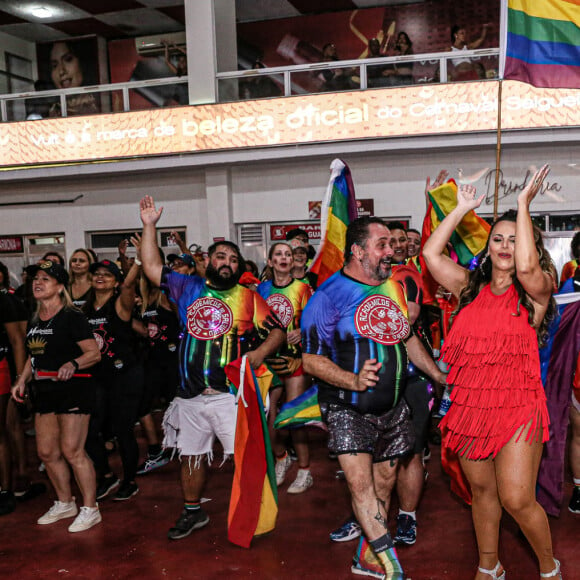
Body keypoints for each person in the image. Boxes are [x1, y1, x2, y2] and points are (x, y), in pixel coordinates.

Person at [422, 165, 562, 580]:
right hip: (470, 406)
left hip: (518, 405)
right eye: (497, 239)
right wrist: (461, 208)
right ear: (487, 247)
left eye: (515, 239)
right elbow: (430, 255)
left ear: (531, 247)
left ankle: (549, 568)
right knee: (482, 493)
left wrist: (522, 204)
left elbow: (524, 270)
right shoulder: (468, 288)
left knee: (517, 499)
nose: (504, 245)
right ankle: (489, 565)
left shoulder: (537, 290)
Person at [301, 216, 446, 579]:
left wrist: (438, 374)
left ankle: (365, 556)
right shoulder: (327, 296)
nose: (391, 251)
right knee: (362, 486)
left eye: (391, 245)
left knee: (384, 484)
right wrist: (351, 379)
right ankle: (391, 567)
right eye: (381, 245)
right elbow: (309, 359)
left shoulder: (393, 287)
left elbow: (407, 337)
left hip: (393, 407)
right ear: (357, 250)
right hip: (347, 408)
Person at [139, 195, 286, 540]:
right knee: (190, 456)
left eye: (234, 259)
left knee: (243, 459)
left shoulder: (250, 298)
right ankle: (193, 511)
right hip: (189, 395)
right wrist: (149, 226)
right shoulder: (186, 287)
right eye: (222, 256)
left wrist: (260, 353)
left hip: (230, 396)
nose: (228, 262)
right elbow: (150, 266)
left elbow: (278, 330)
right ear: (209, 259)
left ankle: (251, 516)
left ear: (238, 267)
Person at [10, 261, 102, 532]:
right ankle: (65, 502)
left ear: (61, 287)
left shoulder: (72, 317)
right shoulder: (35, 318)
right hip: (45, 392)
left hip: (74, 389)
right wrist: (22, 379)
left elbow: (93, 353)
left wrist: (72, 364)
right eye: (36, 278)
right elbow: (33, 354)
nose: (38, 282)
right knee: (46, 452)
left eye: (46, 279)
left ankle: (90, 508)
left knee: (72, 451)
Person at [83, 257, 144, 502]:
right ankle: (106, 475)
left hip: (125, 376)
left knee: (123, 431)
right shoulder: (84, 310)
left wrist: (138, 260)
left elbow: (129, 287)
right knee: (89, 432)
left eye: (107, 275)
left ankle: (129, 481)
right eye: (96, 273)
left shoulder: (120, 304)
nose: (100, 277)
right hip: (96, 377)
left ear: (116, 282)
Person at [257, 242, 314, 493]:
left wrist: (302, 331)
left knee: (293, 416)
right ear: (270, 262)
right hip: (269, 360)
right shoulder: (261, 289)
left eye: (288, 255)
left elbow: (317, 322)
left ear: (293, 262)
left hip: (295, 359)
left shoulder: (303, 288)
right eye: (278, 254)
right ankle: (281, 457)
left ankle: (304, 471)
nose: (283, 258)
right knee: (268, 417)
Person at [47, 40, 99, 117]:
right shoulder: (53, 112)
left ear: (82, 62)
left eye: (68, 59)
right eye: (54, 65)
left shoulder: (103, 102)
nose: (61, 71)